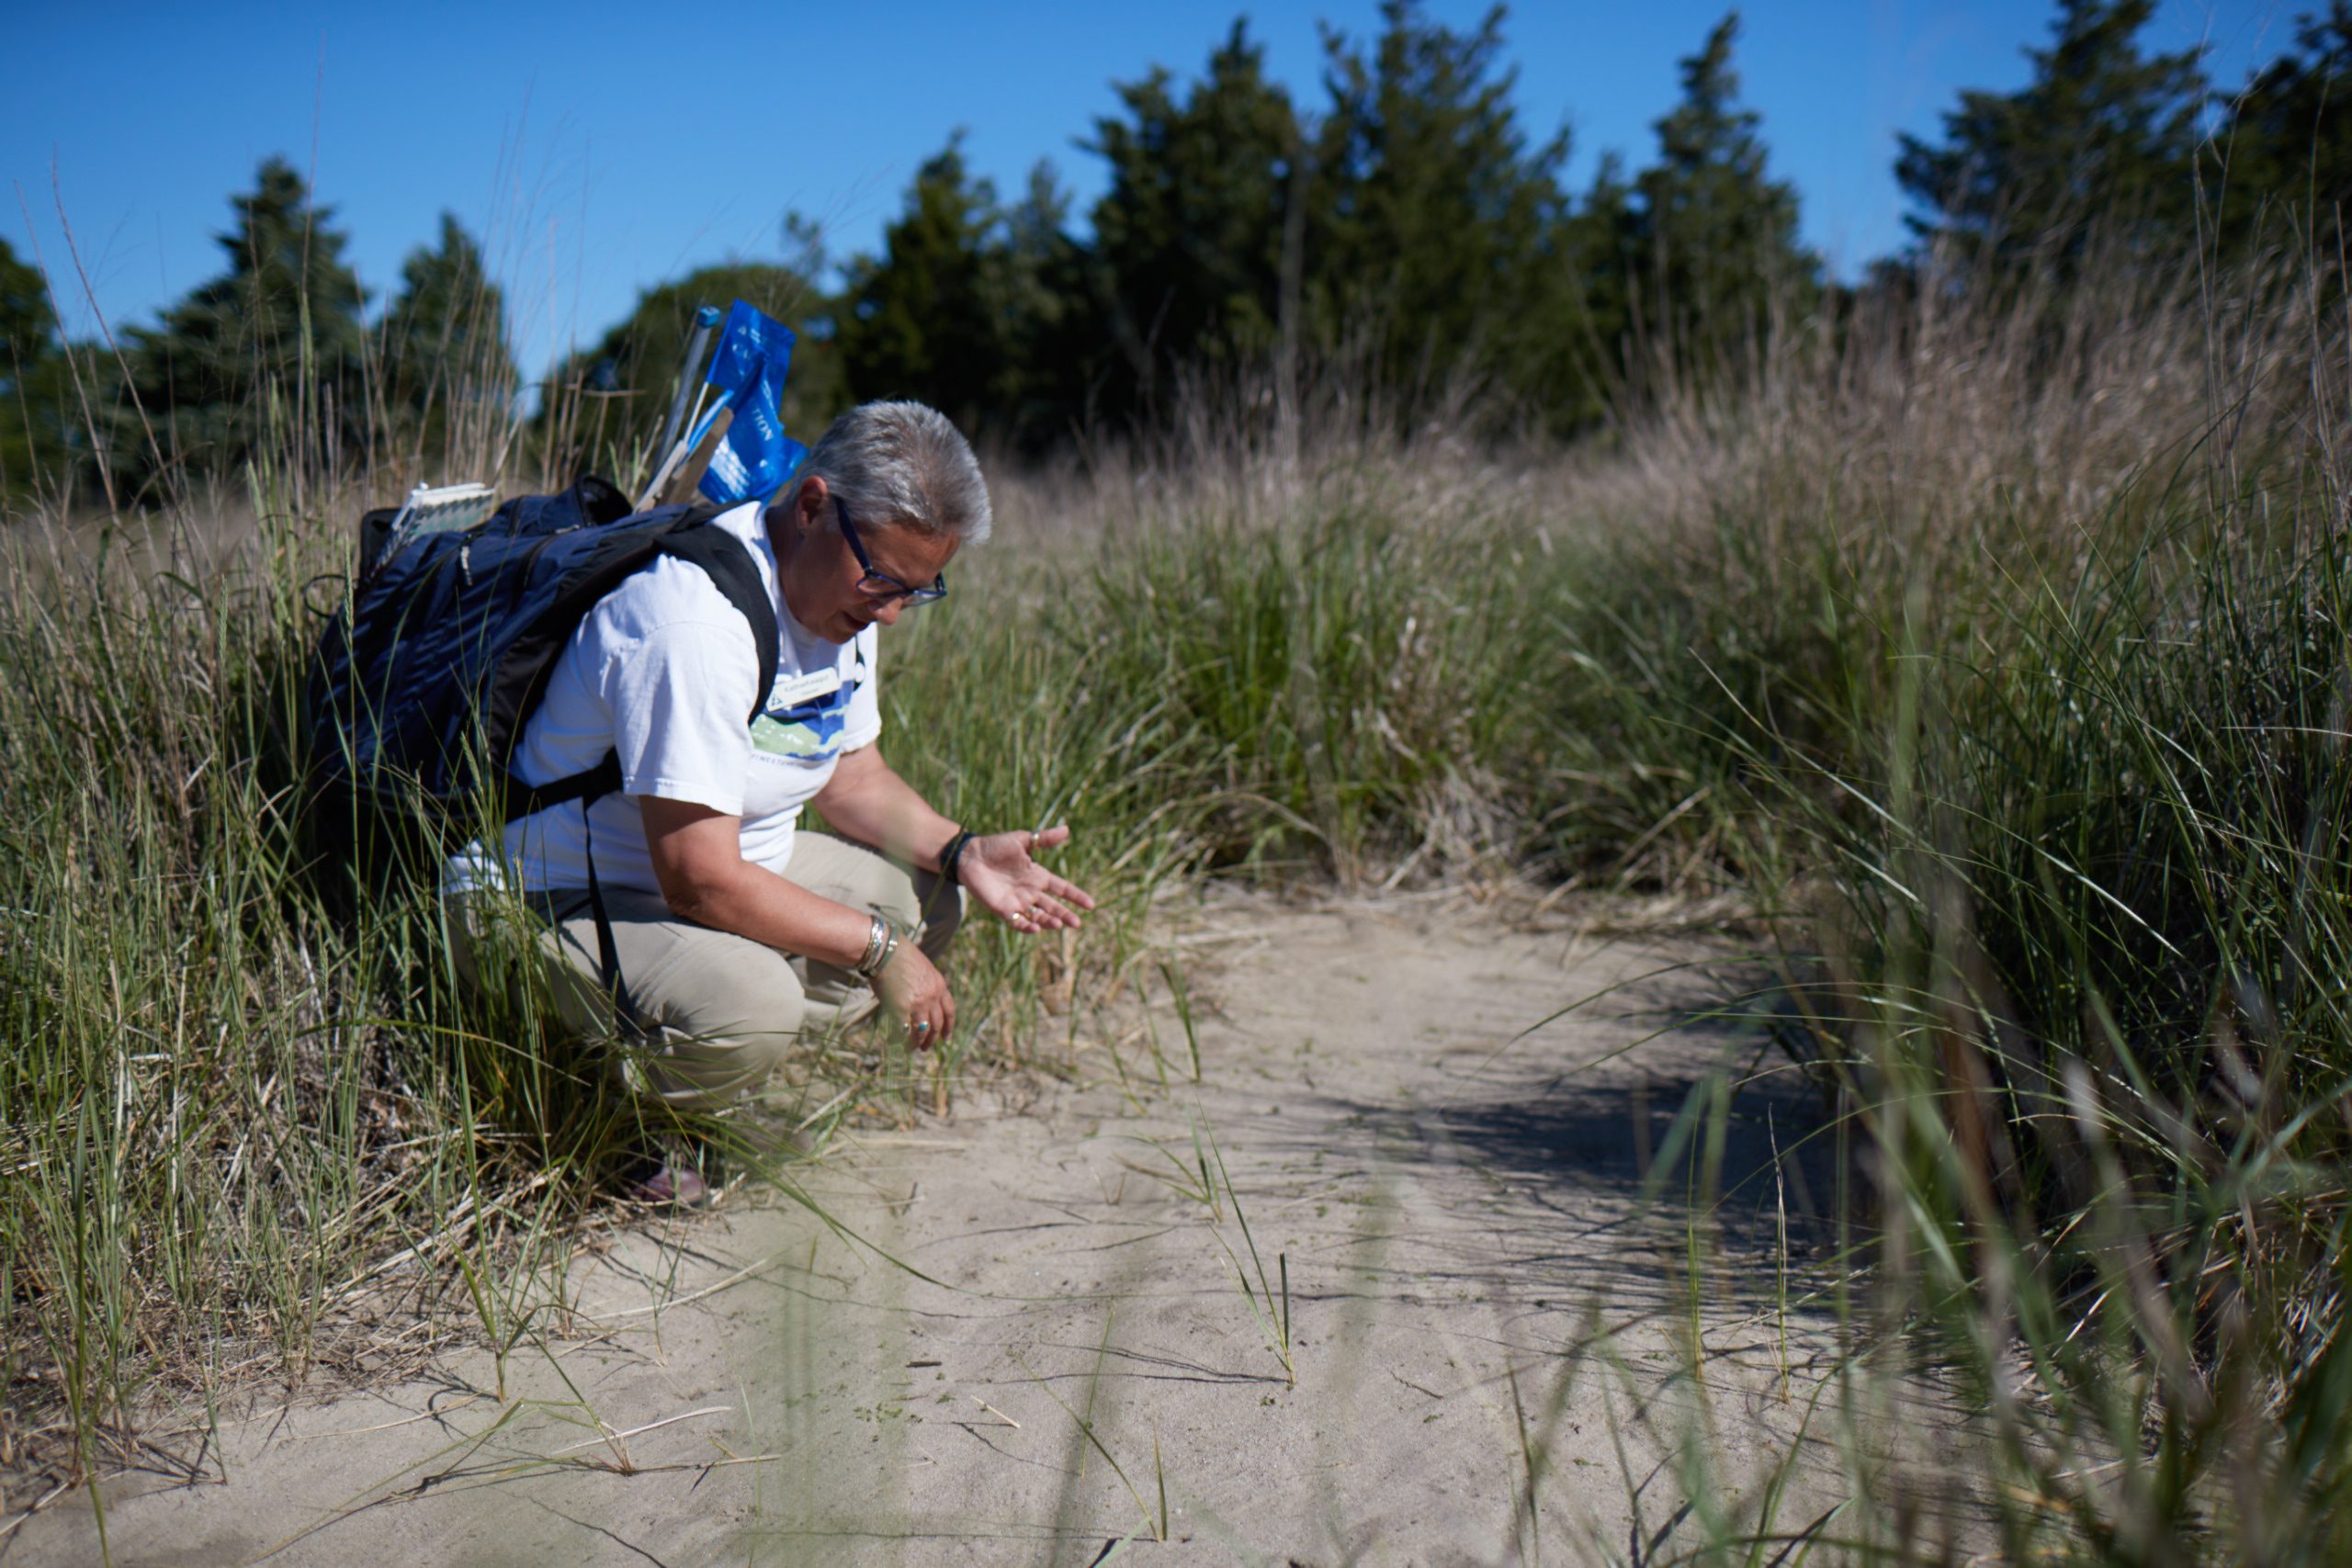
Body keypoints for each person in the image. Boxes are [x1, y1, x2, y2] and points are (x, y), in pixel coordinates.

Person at [443, 401, 1094, 1199]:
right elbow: (699, 879)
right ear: (814, 506)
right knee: (756, 1003)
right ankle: (608, 1126)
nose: (890, 610)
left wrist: (964, 850)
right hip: (544, 897)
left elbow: (850, 777)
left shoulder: (840, 592)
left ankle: (694, 1070)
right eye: (885, 581)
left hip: (689, 880)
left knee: (920, 898)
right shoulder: (692, 622)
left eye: (917, 591)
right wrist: (877, 951)